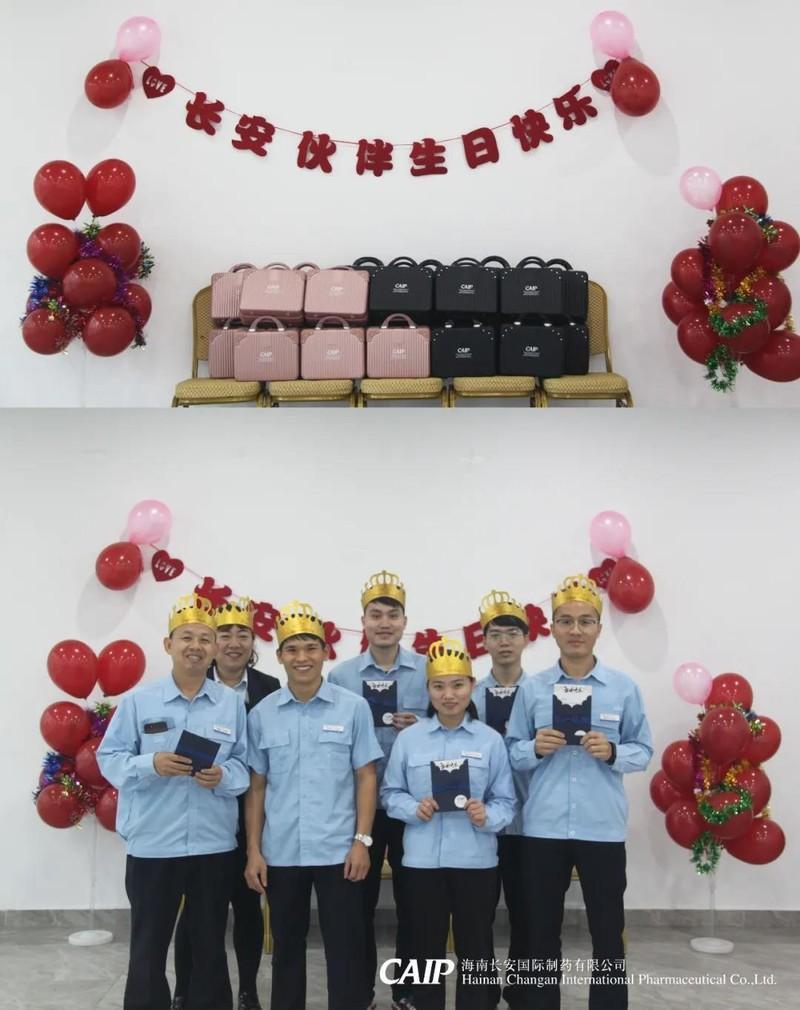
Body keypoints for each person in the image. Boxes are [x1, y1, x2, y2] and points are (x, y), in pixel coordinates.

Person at [505, 575, 654, 1010]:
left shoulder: (623, 689)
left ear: (598, 629)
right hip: (543, 829)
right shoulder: (532, 689)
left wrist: (612, 752)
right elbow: (512, 752)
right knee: (540, 934)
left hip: (601, 827)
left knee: (607, 934)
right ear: (551, 628)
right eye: (565, 621)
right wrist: (535, 747)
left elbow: (644, 751)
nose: (575, 630)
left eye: (585, 621)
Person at [97, 594, 249, 1010]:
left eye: (204, 639)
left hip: (212, 845)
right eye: (186, 637)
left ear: (214, 649)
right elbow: (109, 759)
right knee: (148, 945)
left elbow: (244, 766)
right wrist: (151, 764)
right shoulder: (139, 702)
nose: (195, 646)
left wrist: (223, 776)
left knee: (209, 945)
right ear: (168, 645)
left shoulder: (231, 704)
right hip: (153, 844)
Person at [244, 600, 384, 1010]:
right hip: (282, 851)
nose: (301, 657)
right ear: (280, 655)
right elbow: (257, 786)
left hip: (339, 850)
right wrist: (254, 851)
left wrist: (362, 841)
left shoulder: (353, 707)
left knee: (346, 947)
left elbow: (366, 776)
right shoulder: (263, 714)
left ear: (325, 652)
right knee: (286, 947)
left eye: (310, 647)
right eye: (292, 649)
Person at [381, 637, 517, 1010]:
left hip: (476, 860)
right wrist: (414, 809)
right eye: (439, 686)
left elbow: (506, 801)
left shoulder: (490, 741)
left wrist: (487, 815)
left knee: (476, 947)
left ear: (471, 686)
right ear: (428, 690)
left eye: (458, 685)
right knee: (425, 948)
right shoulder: (410, 740)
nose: (449, 695)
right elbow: (390, 793)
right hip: (423, 862)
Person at [172, 598, 281, 1010]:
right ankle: (184, 989)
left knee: (248, 905)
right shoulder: (193, 680)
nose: (234, 642)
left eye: (243, 634)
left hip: (252, 813)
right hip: (203, 812)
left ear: (253, 641)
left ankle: (248, 990)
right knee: (197, 910)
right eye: (225, 634)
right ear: (213, 641)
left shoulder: (270, 687)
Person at [328, 571, 428, 1010]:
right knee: (357, 904)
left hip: (415, 806)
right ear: (363, 622)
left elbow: (452, 723)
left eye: (392, 615)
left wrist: (422, 724)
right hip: (359, 807)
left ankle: (408, 992)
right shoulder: (341, 676)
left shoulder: (429, 670)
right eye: (376, 614)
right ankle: (360, 994)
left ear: (405, 621)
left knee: (415, 905)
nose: (384, 622)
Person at [471, 591, 532, 1009]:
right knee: (479, 915)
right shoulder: (469, 694)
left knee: (528, 913)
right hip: (481, 823)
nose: (504, 641)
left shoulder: (543, 693)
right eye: (496, 634)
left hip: (531, 821)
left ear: (526, 639)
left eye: (512, 633)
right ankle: (483, 990)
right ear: (485, 641)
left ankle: (523, 990)